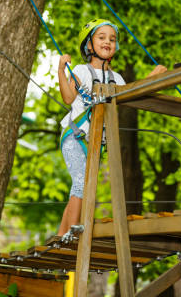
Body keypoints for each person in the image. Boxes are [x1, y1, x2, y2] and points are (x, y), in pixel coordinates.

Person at [57, 19, 166, 236]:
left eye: (112, 39)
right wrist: (61, 70)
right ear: (89, 45)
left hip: (95, 141)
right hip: (74, 136)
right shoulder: (81, 70)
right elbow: (68, 98)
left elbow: (129, 96)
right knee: (81, 182)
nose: (108, 41)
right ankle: (72, 233)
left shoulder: (117, 79)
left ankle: (61, 235)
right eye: (101, 37)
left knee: (81, 186)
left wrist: (152, 78)